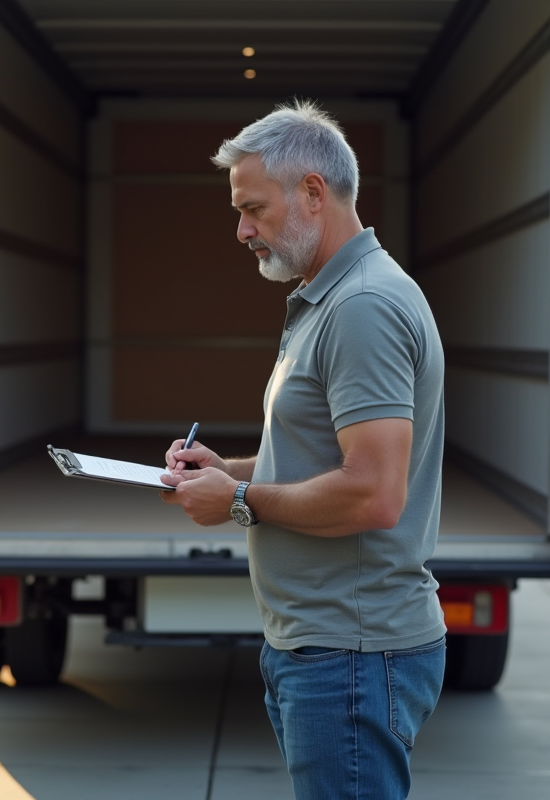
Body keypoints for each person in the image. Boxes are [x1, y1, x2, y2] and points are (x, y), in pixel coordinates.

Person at [159, 100, 448, 800]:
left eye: (253, 208)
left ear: (313, 194)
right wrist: (226, 470)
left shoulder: (361, 308)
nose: (241, 230)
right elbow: (326, 459)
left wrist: (235, 502)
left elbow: (374, 492)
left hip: (349, 652)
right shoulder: (331, 299)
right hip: (322, 645)